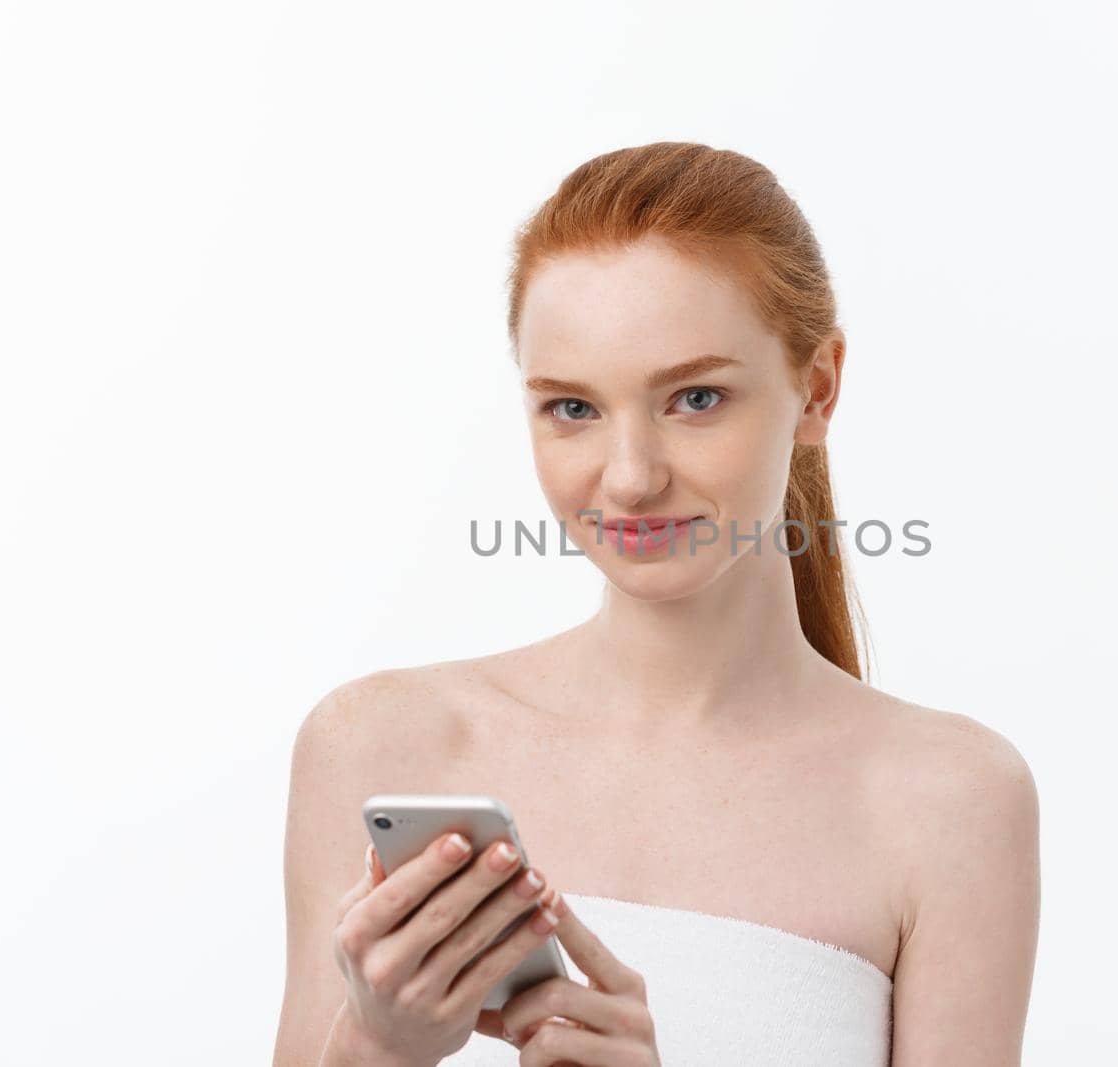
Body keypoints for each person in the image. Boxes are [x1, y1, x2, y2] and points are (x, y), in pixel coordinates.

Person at [273, 142, 1041, 1066]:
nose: (630, 479)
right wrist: (374, 1045)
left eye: (696, 397)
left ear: (818, 389)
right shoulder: (384, 748)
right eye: (573, 409)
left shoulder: (946, 800)